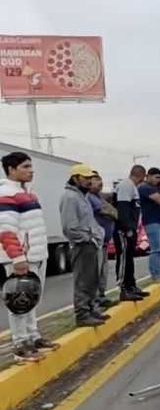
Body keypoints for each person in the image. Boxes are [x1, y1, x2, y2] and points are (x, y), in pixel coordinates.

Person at [0, 151, 60, 362]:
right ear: (11, 169)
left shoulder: (28, 193)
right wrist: (17, 258)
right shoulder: (6, 193)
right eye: (25, 166)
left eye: (30, 166)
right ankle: (20, 343)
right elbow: (6, 230)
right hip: (20, 257)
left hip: (36, 255)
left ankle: (33, 337)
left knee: (32, 299)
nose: (31, 170)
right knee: (19, 301)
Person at [60, 164, 107, 327]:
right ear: (75, 178)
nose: (89, 181)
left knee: (92, 279)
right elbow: (69, 227)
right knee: (83, 281)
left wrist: (97, 234)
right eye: (85, 178)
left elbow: (89, 220)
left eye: (90, 178)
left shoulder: (82, 196)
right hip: (82, 245)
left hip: (90, 243)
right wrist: (86, 238)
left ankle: (91, 309)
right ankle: (82, 314)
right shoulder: (70, 197)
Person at [115, 165, 147, 301]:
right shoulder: (126, 186)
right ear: (141, 175)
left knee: (129, 259)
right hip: (124, 230)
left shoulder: (133, 187)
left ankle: (131, 285)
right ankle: (123, 288)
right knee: (123, 259)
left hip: (132, 229)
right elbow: (123, 209)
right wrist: (127, 228)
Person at [87, 172, 118, 309]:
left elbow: (112, 211)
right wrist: (112, 211)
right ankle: (93, 300)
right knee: (94, 272)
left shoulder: (99, 197)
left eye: (100, 179)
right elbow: (108, 211)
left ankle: (101, 296)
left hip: (104, 242)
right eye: (95, 180)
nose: (99, 182)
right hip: (96, 242)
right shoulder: (89, 198)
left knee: (103, 271)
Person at [138, 167, 160, 282]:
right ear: (148, 176)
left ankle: (159, 272)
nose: (158, 180)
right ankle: (155, 275)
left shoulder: (154, 188)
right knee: (156, 249)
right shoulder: (145, 188)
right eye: (156, 177)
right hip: (152, 222)